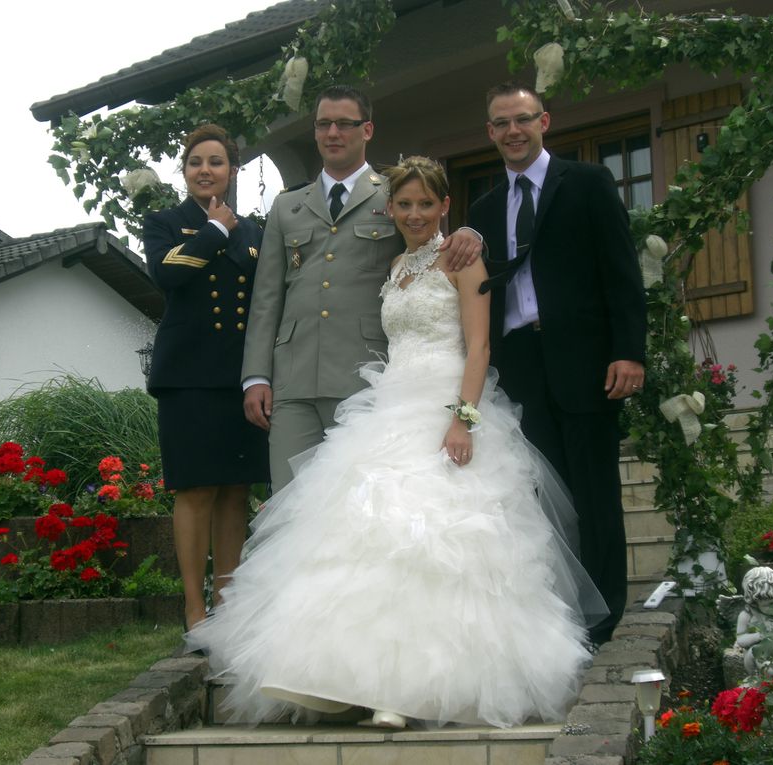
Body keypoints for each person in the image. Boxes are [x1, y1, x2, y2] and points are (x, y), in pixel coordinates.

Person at [187, 156, 606, 729]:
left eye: (425, 205)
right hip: (388, 405)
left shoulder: (463, 257)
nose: (414, 214)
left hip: (447, 407)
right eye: (404, 205)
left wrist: (463, 419)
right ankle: (344, 680)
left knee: (436, 545)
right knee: (365, 538)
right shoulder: (398, 266)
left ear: (444, 207)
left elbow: (480, 348)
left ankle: (411, 693)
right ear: (391, 210)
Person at [467, 82, 647, 646]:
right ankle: (562, 611)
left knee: (593, 489)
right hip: (520, 364)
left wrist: (629, 351)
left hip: (586, 359)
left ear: (544, 121)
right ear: (490, 133)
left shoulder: (587, 184)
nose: (513, 131)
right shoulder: (484, 209)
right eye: (501, 123)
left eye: (523, 119)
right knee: (545, 492)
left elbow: (622, 272)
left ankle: (604, 614)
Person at [242, 84, 481, 490]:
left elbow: (429, 242)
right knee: (289, 499)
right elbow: (267, 298)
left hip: (364, 379)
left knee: (348, 505)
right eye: (323, 124)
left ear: (367, 130)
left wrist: (471, 233)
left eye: (344, 124)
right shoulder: (287, 206)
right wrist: (256, 377)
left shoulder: (394, 194)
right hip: (292, 381)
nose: (333, 133)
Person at [143, 123, 269, 629]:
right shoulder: (165, 222)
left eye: (216, 162)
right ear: (185, 170)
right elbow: (167, 273)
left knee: (235, 489)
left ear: (232, 171)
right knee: (194, 489)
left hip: (238, 375)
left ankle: (228, 603)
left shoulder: (256, 231)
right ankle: (195, 608)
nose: (205, 170)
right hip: (188, 377)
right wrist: (216, 231)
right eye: (196, 162)